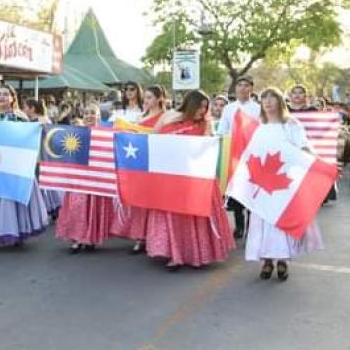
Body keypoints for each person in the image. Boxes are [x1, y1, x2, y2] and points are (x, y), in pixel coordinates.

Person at [144, 90, 235, 270]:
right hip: (169, 176)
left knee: (191, 216)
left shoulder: (205, 124)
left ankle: (195, 253)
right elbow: (151, 140)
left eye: (205, 107)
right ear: (190, 104)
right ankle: (173, 254)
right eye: (200, 106)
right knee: (172, 216)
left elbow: (207, 148)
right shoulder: (168, 116)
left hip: (193, 177)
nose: (203, 111)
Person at [245, 88, 324, 280]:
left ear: (280, 101)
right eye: (264, 99)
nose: (268, 102)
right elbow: (252, 153)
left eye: (272, 98)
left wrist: (319, 163)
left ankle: (282, 260)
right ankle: (266, 260)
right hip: (263, 183)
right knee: (264, 221)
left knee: (280, 222)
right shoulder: (260, 126)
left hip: (284, 182)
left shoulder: (291, 125)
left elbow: (303, 147)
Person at [0, 87, 51, 253]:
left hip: (13, 167)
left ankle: (15, 232)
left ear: (12, 98)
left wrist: (39, 126)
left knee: (12, 200)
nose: (1, 97)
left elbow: (28, 138)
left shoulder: (20, 118)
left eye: (5, 94)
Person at [111, 85, 169, 254]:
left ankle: (152, 236)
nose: (147, 101)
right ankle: (139, 236)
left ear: (159, 98)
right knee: (139, 200)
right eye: (146, 98)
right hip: (139, 162)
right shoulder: (142, 115)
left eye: (150, 98)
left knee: (153, 201)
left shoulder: (165, 116)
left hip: (155, 162)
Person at [54, 103, 116, 253]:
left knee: (92, 208)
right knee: (77, 207)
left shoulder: (105, 133)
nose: (89, 116)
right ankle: (76, 238)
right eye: (86, 113)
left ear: (99, 116)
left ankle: (89, 238)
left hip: (96, 178)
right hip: (79, 177)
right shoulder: (76, 132)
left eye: (92, 113)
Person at [217, 76, 261, 239]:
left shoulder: (258, 109)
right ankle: (239, 225)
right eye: (239, 85)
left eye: (246, 85)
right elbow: (222, 129)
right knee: (236, 192)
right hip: (234, 156)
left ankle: (251, 225)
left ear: (251, 88)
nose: (242, 88)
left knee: (252, 191)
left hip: (252, 157)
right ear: (235, 89)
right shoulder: (229, 108)